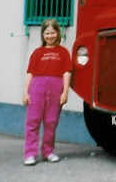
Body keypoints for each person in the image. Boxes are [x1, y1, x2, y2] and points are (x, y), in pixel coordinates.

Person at [22, 18, 72, 166]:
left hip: (56, 88)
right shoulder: (37, 53)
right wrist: (26, 92)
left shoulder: (63, 52)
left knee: (51, 121)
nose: (50, 36)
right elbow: (30, 73)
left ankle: (48, 151)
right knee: (33, 121)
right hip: (37, 87)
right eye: (46, 33)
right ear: (43, 35)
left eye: (52, 32)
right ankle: (30, 154)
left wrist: (65, 92)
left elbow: (67, 72)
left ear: (58, 33)